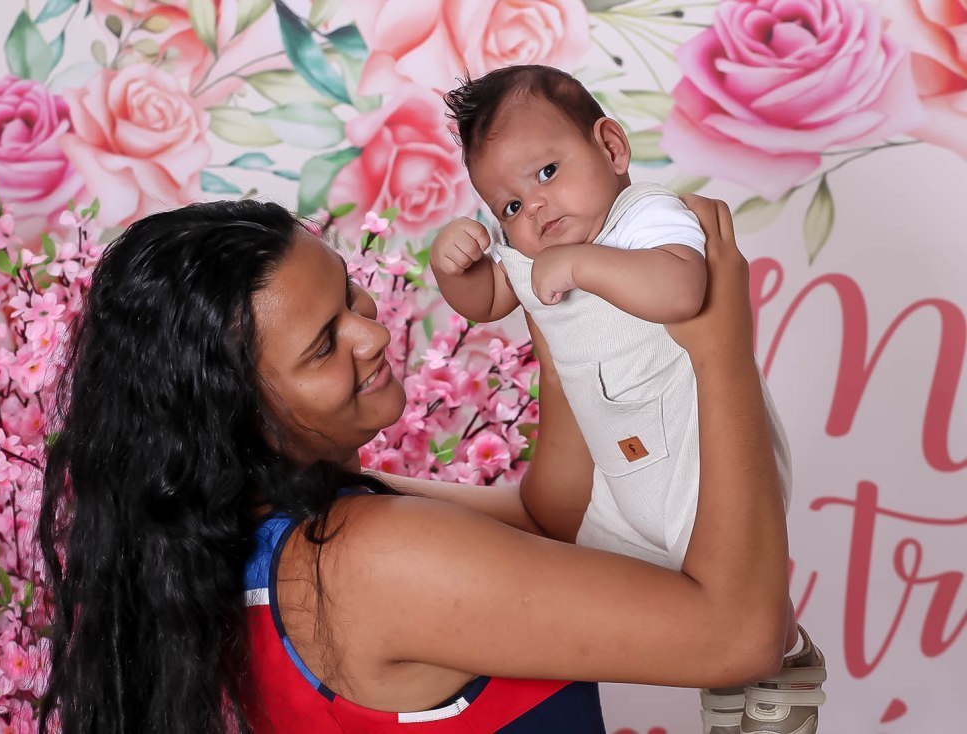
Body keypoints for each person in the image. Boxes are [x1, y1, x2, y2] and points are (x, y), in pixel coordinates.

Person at [39, 194, 789, 734]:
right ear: (234, 416)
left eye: (347, 294)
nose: (370, 334)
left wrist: (552, 311)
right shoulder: (364, 559)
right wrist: (718, 348)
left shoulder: (256, 533)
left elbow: (551, 519)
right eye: (323, 347)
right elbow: (740, 638)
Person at [430, 65, 824, 734]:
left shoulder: (645, 217)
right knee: (630, 580)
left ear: (611, 149)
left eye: (547, 172)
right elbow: (489, 299)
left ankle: (784, 651)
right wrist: (454, 270)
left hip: (697, 449)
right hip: (621, 468)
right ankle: (725, 667)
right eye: (509, 207)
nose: (536, 209)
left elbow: (683, 290)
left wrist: (582, 265)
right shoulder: (532, 253)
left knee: (722, 565)